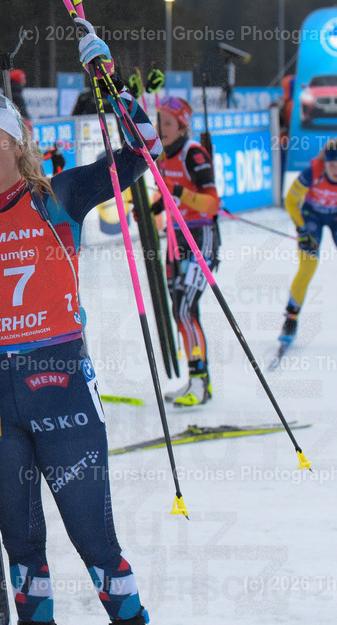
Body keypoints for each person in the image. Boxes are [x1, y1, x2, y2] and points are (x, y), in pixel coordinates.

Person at [0, 22, 164, 625]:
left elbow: (143, 155)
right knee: (20, 536)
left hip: (62, 385)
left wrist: (116, 91)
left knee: (91, 533)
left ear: (18, 144)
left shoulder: (59, 195)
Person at [150, 96, 220, 407]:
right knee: (180, 308)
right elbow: (170, 198)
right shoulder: (164, 156)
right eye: (159, 121)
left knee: (184, 309)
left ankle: (200, 382)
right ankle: (197, 380)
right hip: (176, 239)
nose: (161, 128)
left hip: (200, 237)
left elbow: (211, 204)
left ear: (182, 126)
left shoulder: (194, 154)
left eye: (167, 123)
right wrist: (152, 206)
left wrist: (178, 192)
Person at [276, 138, 337, 347]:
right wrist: (301, 230)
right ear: (325, 162)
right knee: (308, 267)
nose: (335, 170)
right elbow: (291, 201)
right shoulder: (313, 172)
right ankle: (291, 318)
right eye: (332, 165)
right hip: (311, 216)